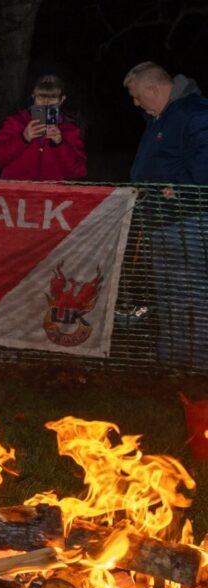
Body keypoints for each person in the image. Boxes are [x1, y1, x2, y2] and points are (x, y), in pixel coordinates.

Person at [123, 61, 208, 367]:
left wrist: (182, 188)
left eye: (136, 95)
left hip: (189, 221)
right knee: (169, 292)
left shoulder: (194, 112)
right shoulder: (160, 118)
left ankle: (197, 363)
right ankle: (172, 359)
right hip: (161, 220)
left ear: (153, 89)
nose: (135, 103)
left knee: (193, 292)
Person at [0, 74, 86, 181]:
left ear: (61, 100)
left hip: (50, 195)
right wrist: (23, 138)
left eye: (52, 99)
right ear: (33, 97)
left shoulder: (69, 130)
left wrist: (59, 144)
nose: (46, 104)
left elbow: (78, 171)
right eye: (41, 98)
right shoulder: (16, 121)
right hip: (14, 193)